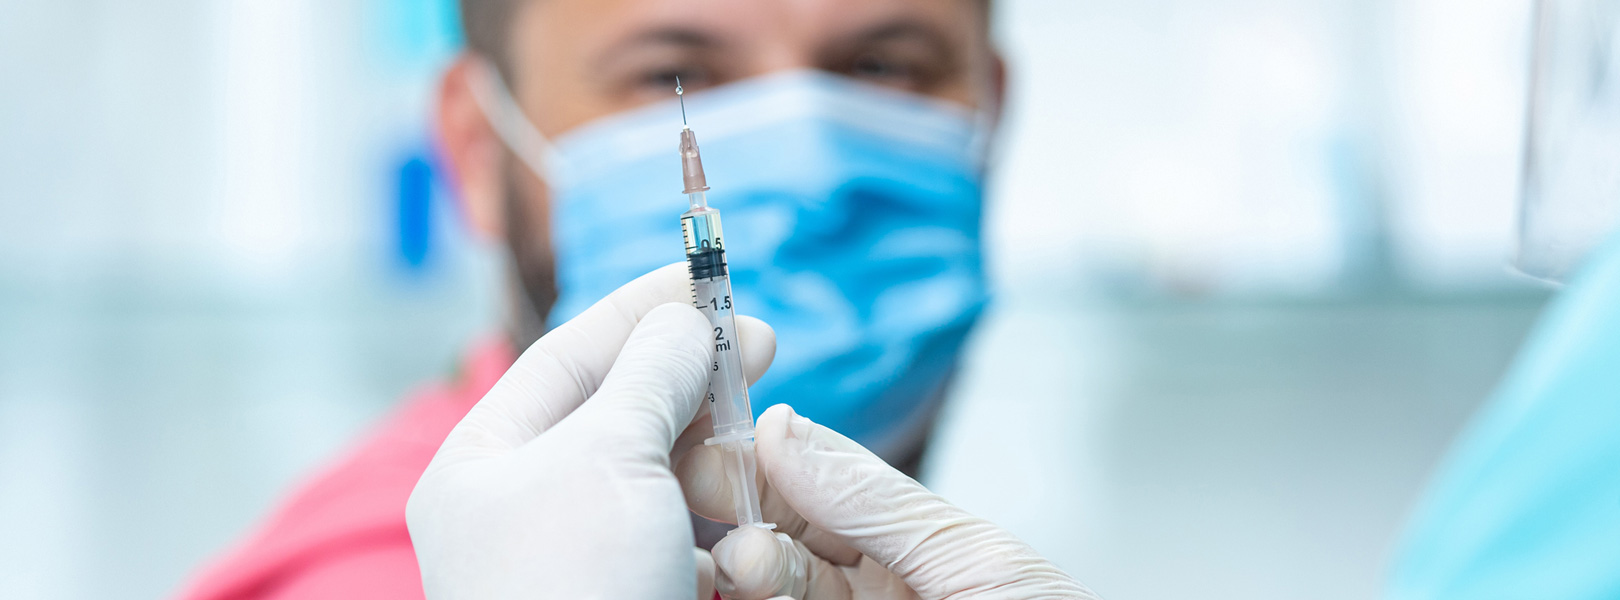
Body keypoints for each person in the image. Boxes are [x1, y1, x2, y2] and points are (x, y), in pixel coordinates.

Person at [178, 0, 1016, 598]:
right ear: (474, 150)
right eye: (672, 73)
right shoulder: (374, 580)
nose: (814, 164)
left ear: (995, 107)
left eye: (882, 66)